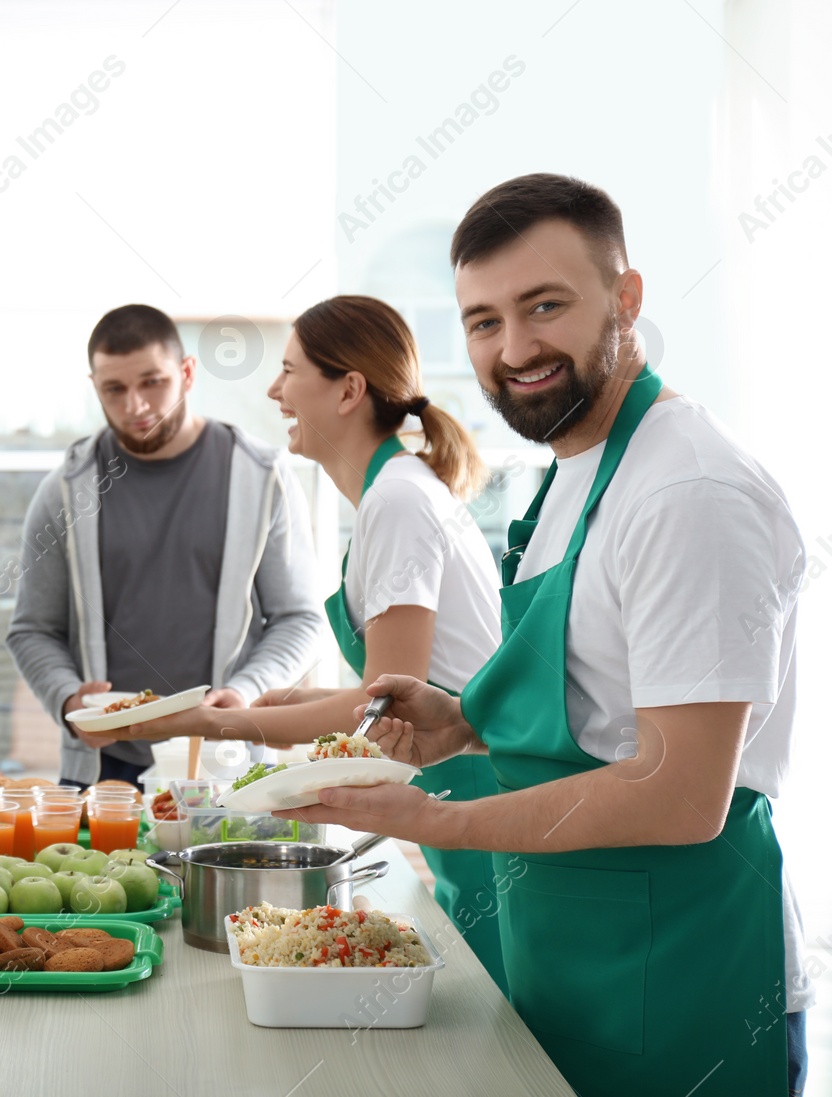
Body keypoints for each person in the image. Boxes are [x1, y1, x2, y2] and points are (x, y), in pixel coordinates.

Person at [281, 174, 809, 1095]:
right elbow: (598, 707)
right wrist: (463, 721)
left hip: (683, 975)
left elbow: (683, 791)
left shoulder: (688, 490)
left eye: (545, 306)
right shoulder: (576, 469)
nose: (515, 348)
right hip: (572, 956)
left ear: (628, 298)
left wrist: (437, 819)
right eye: (484, 321)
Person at [108, 296, 507, 988]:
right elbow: (397, 689)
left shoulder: (399, 502)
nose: (273, 390)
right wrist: (292, 698)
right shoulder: (392, 494)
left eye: (289, 371)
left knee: (498, 1023)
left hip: (478, 790)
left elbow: (387, 708)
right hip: (458, 785)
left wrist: (215, 719)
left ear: (349, 389)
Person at [6, 304, 327, 789]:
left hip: (225, 763)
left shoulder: (262, 477)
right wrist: (69, 700)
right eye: (115, 388)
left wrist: (245, 691)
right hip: (103, 770)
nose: (135, 406)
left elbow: (300, 619)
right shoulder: (64, 489)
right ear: (95, 386)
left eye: (152, 382)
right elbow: (32, 629)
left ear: (187, 373)